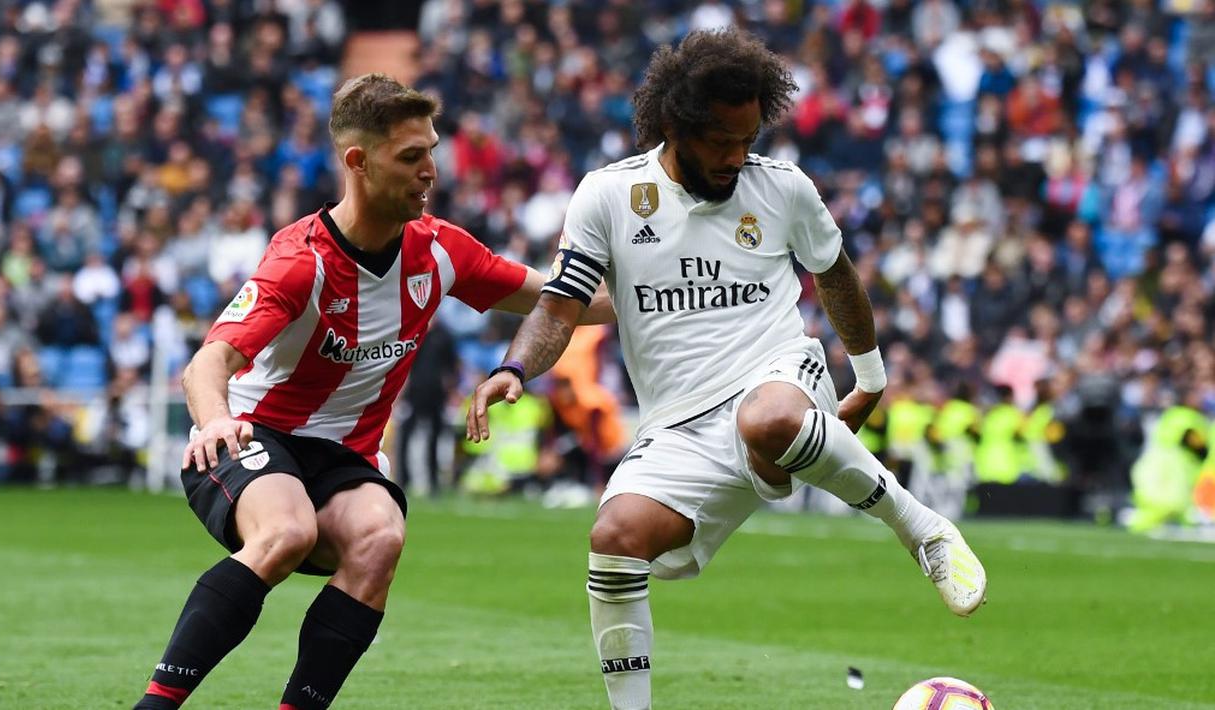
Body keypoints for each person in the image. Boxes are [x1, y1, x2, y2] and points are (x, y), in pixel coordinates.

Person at [467, 30, 986, 710]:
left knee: (768, 419)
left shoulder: (783, 188)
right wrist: (515, 367)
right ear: (674, 126)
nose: (737, 156)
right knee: (614, 539)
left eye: (748, 139)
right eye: (720, 141)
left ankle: (923, 531)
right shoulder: (608, 196)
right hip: (675, 424)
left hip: (775, 370)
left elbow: (835, 277)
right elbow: (560, 305)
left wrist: (870, 378)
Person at [133, 74, 612, 710]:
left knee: (380, 536)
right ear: (358, 162)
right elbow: (208, 363)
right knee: (286, 532)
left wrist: (666, 288)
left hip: (345, 457)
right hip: (254, 436)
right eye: (411, 157)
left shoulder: (440, 250)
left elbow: (568, 301)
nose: (430, 171)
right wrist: (217, 421)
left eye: (431, 151)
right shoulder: (300, 260)